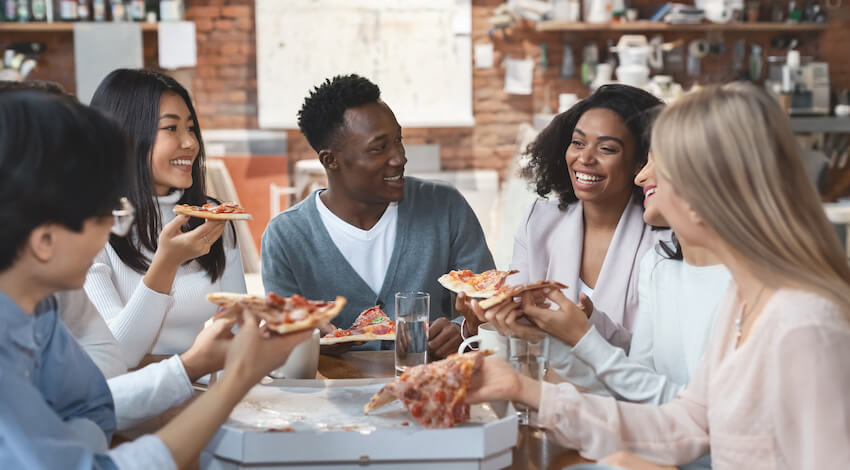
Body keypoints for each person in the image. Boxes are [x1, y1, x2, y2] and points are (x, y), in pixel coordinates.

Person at [466, 83, 850, 469]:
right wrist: (526, 390)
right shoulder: (744, 297)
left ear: (703, 195)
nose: (640, 177)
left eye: (657, 164)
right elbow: (685, 423)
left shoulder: (804, 325)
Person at [0, 90, 311, 469]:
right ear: (44, 240)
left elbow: (95, 402)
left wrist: (192, 366)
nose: (110, 232)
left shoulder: (40, 306)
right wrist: (236, 376)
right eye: (105, 216)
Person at [262, 74, 494, 358]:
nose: (399, 157)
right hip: (326, 398)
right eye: (379, 148)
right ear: (330, 160)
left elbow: (490, 305)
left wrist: (464, 330)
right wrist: (311, 340)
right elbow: (283, 344)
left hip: (433, 393)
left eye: (398, 140)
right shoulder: (286, 236)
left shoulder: (445, 208)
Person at [460, 85, 665, 375]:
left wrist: (588, 324)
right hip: (542, 397)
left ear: (639, 162)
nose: (585, 158)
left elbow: (656, 361)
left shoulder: (664, 240)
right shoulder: (539, 221)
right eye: (578, 143)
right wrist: (481, 323)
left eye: (606, 148)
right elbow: (520, 336)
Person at [85, 69, 246, 367]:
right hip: (129, 406)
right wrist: (166, 263)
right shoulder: (88, 227)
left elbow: (239, 327)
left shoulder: (214, 216)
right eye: (171, 129)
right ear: (126, 136)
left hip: (209, 394)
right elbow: (115, 358)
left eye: (191, 128)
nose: (190, 143)